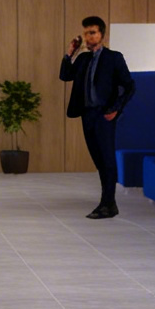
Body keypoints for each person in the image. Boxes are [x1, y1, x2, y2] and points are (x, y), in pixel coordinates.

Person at [59, 15, 135, 219]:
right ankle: (108, 203)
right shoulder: (83, 59)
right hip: (87, 114)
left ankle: (108, 203)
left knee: (107, 159)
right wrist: (70, 53)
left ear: (102, 35)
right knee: (99, 160)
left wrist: (116, 109)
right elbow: (65, 75)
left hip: (104, 114)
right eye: (86, 33)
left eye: (92, 32)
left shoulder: (114, 58)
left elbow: (129, 86)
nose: (88, 37)